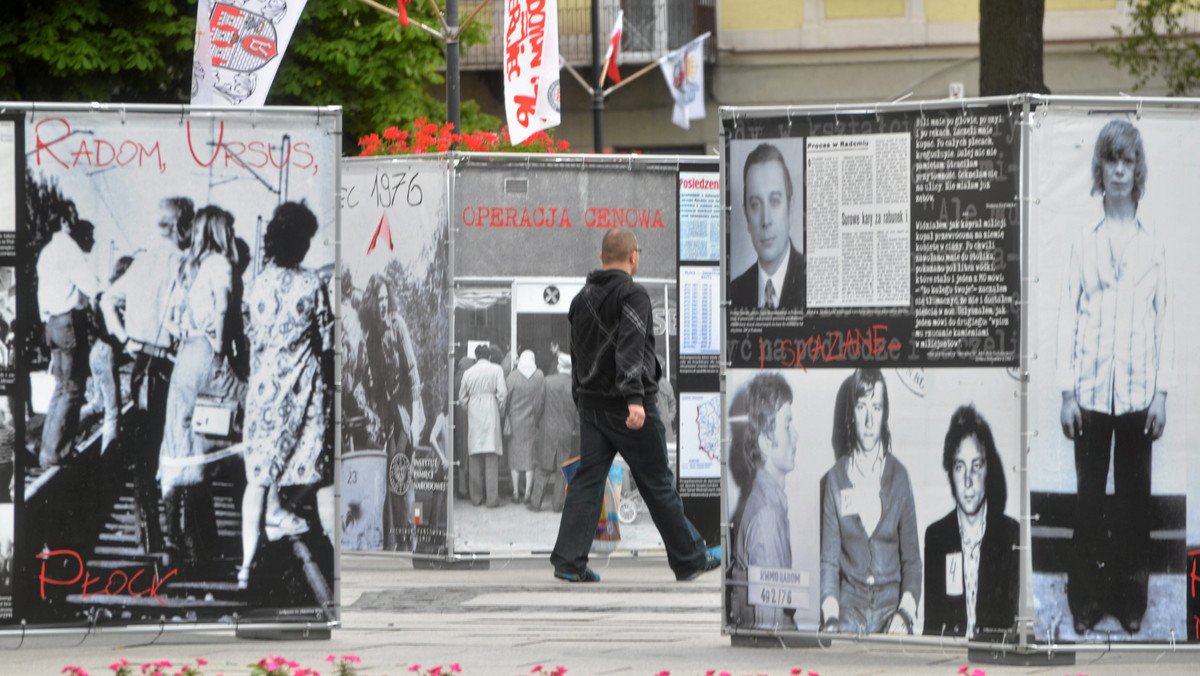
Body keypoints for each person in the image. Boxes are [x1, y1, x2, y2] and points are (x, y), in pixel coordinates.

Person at [550, 229, 718, 583]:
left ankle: (569, 561)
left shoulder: (580, 300)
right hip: (629, 411)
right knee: (657, 481)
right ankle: (689, 559)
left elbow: (577, 357)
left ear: (601, 257)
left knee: (587, 482)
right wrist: (634, 400)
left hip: (592, 407)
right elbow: (629, 348)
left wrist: (581, 398)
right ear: (633, 257)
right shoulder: (633, 294)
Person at [1056, 119, 1170, 636]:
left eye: (1128, 161)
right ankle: (1085, 599)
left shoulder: (1154, 242)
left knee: (1132, 502)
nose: (1120, 170)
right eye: (1111, 160)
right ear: (1100, 168)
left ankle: (1130, 601)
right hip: (1091, 395)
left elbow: (1165, 321)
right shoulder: (1083, 239)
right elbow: (1067, 315)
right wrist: (1067, 392)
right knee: (1089, 502)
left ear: (1137, 169)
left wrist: (1161, 394)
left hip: (1138, 394)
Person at [238, 201, 334, 590]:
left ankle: (244, 568)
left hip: (263, 391)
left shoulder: (256, 282)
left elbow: (249, 335)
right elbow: (326, 341)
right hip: (303, 391)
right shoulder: (312, 284)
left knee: (258, 479)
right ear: (301, 243)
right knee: (322, 474)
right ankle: (332, 549)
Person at [102, 196, 194, 557]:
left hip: (141, 366)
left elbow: (107, 299)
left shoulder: (141, 263)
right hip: (171, 366)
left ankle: (149, 538)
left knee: (144, 455)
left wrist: (125, 338)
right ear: (183, 225)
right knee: (174, 452)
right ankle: (175, 538)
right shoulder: (184, 264)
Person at [157, 205, 241, 570]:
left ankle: (181, 541)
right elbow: (222, 307)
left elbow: (173, 318)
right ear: (221, 231)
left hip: (185, 360)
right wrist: (221, 348)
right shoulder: (221, 264)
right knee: (235, 428)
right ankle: (261, 523)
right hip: (208, 354)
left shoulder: (189, 267)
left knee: (182, 445)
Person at [820, 368, 921, 634]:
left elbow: (912, 561)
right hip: (849, 609)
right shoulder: (834, 480)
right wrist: (831, 619)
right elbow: (829, 562)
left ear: (884, 414)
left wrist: (905, 614)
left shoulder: (899, 477)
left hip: (892, 609)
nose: (868, 420)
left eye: (876, 408)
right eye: (861, 407)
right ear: (851, 414)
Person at [923, 405, 1019, 638]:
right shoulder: (936, 537)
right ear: (950, 472)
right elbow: (933, 627)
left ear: (988, 470)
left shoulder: (1010, 534)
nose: (968, 481)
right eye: (959, 467)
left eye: (976, 466)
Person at [354, 273, 423, 551]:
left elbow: (413, 371)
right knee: (389, 479)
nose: (383, 304)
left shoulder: (397, 325)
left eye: (386, 299)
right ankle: (394, 541)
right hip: (385, 417)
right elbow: (371, 382)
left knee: (402, 477)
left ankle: (410, 541)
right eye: (378, 300)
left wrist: (416, 418)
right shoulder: (370, 336)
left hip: (405, 411)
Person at [727, 372, 798, 630]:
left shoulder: (769, 503)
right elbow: (771, 627)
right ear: (766, 442)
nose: (796, 436)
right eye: (788, 426)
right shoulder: (766, 516)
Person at [35, 213, 100, 468]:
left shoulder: (47, 251)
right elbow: (90, 284)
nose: (72, 220)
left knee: (61, 388)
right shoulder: (68, 247)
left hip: (51, 322)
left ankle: (47, 449)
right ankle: (57, 453)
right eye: (70, 215)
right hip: (69, 321)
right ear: (63, 222)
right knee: (73, 389)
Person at [729, 143, 805, 310]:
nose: (766, 220)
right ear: (746, 216)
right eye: (755, 205)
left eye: (774, 201)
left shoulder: (814, 280)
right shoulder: (733, 293)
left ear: (790, 208)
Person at [459, 344, 507, 507]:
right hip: (491, 410)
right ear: (490, 356)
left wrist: (469, 411)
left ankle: (476, 497)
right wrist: (499, 411)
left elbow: (462, 398)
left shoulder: (468, 373)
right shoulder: (496, 370)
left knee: (474, 457)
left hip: (474, 412)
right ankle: (492, 499)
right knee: (491, 456)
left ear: (476, 357)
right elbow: (502, 394)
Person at [531, 352, 576, 512]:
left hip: (547, 430)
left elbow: (537, 406)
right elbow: (579, 411)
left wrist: (538, 424)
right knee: (562, 468)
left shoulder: (547, 382)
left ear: (559, 366)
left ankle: (535, 503)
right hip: (566, 431)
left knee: (543, 466)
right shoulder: (576, 385)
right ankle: (558, 505)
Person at [504, 349, 545, 504]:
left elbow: (506, 399)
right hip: (532, 422)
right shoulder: (539, 376)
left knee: (514, 458)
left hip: (515, 422)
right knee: (529, 459)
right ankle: (528, 492)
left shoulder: (512, 377)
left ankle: (515, 492)